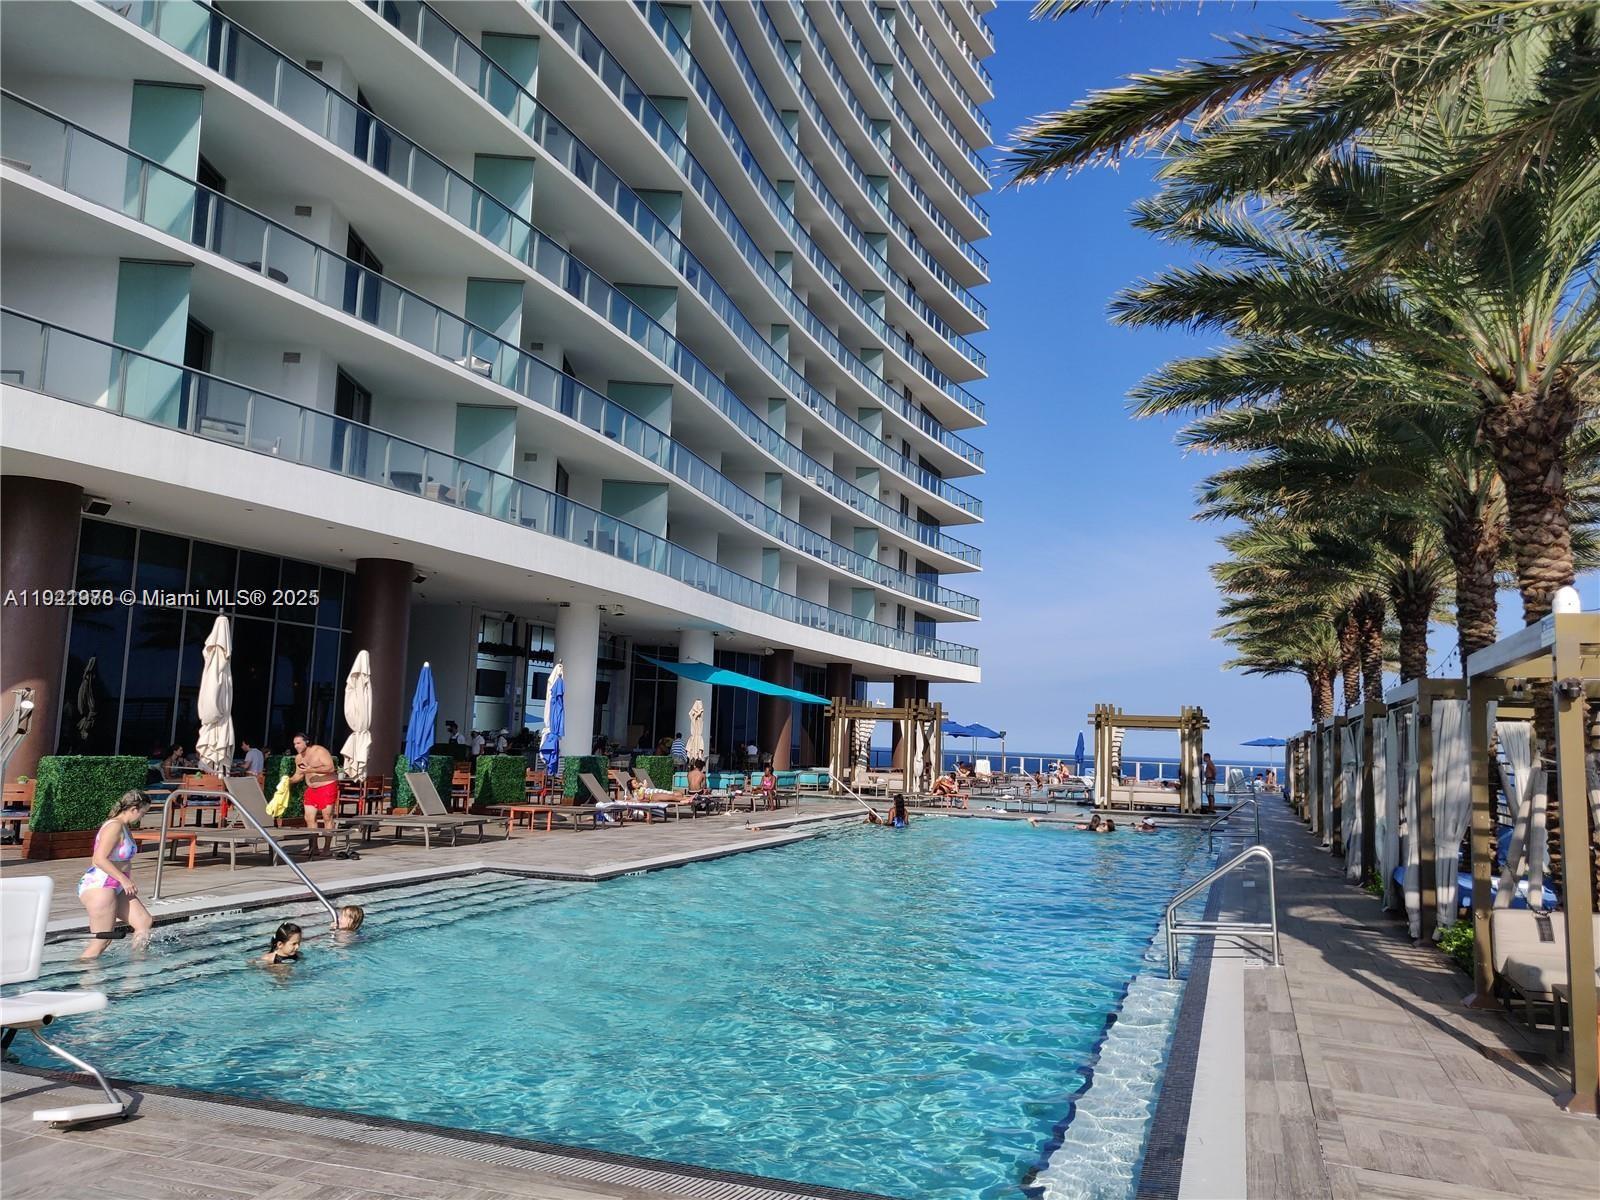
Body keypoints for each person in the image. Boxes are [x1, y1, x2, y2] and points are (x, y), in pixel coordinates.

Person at [77, 791, 155, 960]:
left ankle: (138, 967)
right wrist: (124, 879)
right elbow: (98, 859)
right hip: (101, 884)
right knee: (102, 941)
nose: (143, 817)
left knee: (143, 922)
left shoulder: (124, 826)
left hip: (115, 885)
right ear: (134, 809)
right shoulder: (114, 826)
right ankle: (81, 974)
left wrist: (122, 880)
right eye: (143, 812)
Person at [290, 732, 339, 856]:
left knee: (327, 816)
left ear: (306, 742)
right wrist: (288, 781)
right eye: (294, 744)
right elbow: (299, 775)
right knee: (309, 817)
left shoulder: (319, 751)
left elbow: (330, 768)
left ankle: (327, 848)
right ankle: (313, 847)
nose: (296, 746)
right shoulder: (298, 758)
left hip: (327, 786)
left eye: (298, 743)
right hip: (311, 789)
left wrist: (311, 769)